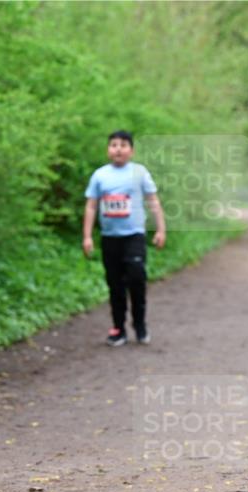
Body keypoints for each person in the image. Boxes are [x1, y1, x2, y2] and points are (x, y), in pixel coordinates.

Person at [82, 130, 166, 346]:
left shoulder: (139, 173)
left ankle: (140, 323)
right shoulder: (100, 175)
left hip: (134, 236)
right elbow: (91, 206)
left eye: (123, 145)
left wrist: (160, 229)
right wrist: (87, 236)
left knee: (137, 278)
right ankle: (118, 328)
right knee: (115, 284)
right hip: (110, 238)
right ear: (108, 150)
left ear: (131, 150)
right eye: (113, 145)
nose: (118, 149)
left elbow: (153, 201)